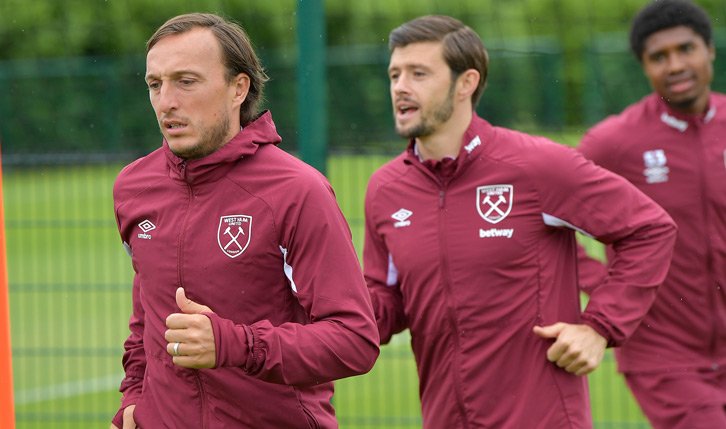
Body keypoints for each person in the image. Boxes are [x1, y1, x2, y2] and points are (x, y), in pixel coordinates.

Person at [363, 15, 678, 428]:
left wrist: (599, 327)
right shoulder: (385, 189)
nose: (400, 87)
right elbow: (385, 301)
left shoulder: (536, 166)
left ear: (466, 83)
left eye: (418, 73)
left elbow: (649, 228)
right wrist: (317, 313)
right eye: (394, 74)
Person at [110, 13, 379, 428]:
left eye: (186, 81)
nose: (166, 101)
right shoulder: (134, 187)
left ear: (239, 88)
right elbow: (147, 316)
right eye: (155, 84)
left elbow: (354, 340)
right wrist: (133, 398)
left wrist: (235, 344)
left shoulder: (296, 191)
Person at [577, 1, 726, 427]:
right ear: (644, 66)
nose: (676, 65)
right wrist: (604, 283)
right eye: (659, 57)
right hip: (664, 354)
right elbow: (542, 217)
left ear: (710, 50)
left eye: (686, 49)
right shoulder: (614, 142)